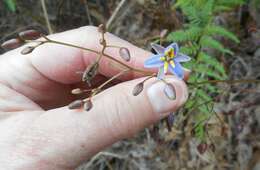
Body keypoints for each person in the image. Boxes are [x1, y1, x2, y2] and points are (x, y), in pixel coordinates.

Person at [0, 26, 188, 170]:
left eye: (169, 57)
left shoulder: (167, 62)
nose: (168, 58)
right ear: (163, 53)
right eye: (166, 56)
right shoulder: (163, 61)